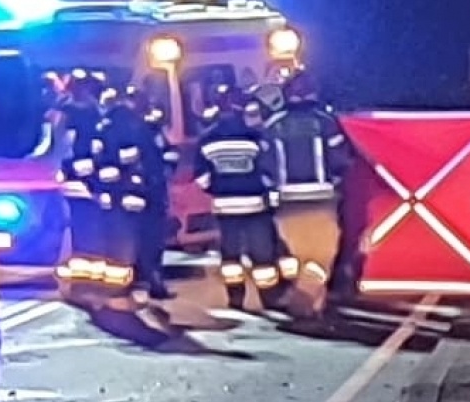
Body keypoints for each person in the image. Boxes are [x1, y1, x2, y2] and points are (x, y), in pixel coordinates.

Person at [264, 70, 356, 305]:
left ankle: (304, 295)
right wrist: (336, 182)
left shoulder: (272, 125)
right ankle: (308, 299)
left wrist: (273, 190)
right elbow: (341, 159)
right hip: (322, 201)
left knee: (295, 253)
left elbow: (263, 164)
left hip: (287, 203)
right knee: (321, 255)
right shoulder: (326, 122)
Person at [194, 89, 287, 310]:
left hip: (225, 207)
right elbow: (269, 171)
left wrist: (218, 189)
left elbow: (201, 178)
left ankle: (236, 299)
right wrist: (269, 197)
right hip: (254, 205)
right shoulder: (255, 136)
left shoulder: (207, 138)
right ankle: (269, 299)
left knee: (231, 257)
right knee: (263, 256)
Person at [98, 85, 177, 299]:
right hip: (138, 194)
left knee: (133, 241)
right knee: (142, 241)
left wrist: (163, 172)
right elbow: (111, 161)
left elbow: (167, 154)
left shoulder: (140, 127)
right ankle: (141, 283)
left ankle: (136, 283)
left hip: (136, 195)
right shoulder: (127, 127)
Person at [55, 70, 109, 302]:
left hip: (75, 179)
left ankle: (84, 282)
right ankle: (89, 281)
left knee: (81, 231)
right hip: (91, 181)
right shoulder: (97, 113)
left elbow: (60, 146)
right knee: (93, 230)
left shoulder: (65, 112)